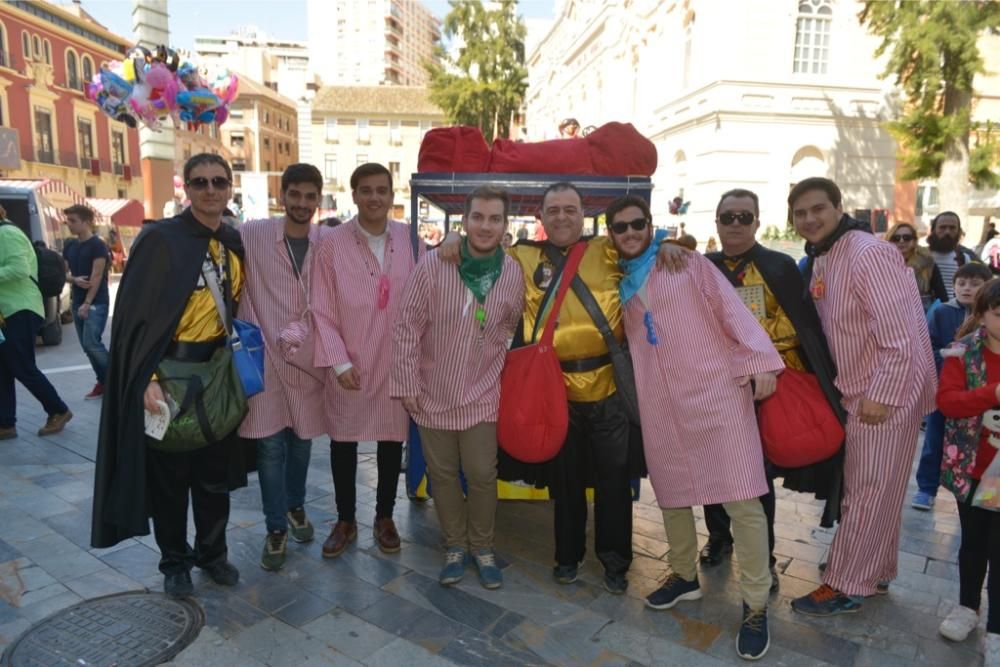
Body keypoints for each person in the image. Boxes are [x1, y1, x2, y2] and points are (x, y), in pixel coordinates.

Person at [440, 182, 689, 594]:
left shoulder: (606, 249)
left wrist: (668, 243)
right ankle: (567, 557)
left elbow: (642, 243)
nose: (561, 217)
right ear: (540, 217)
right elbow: (477, 253)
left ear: (583, 215)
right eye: (553, 210)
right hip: (554, 393)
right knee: (567, 483)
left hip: (608, 388)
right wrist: (454, 238)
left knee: (614, 483)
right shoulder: (520, 256)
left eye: (569, 210)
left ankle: (615, 562)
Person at [606, 195, 781, 660]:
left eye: (637, 224)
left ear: (650, 225)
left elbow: (732, 310)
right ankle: (684, 575)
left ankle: (757, 604)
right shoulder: (622, 285)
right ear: (612, 235)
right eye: (620, 228)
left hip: (717, 395)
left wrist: (760, 360)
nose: (630, 233)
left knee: (743, 498)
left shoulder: (687, 264)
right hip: (662, 405)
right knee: (673, 492)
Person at [91, 154, 253, 599]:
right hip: (168, 375)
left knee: (214, 477)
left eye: (219, 181)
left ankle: (212, 554)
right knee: (169, 479)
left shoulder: (233, 242)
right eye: (200, 182)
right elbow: (136, 319)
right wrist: (146, 377)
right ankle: (175, 562)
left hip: (217, 375)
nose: (210, 190)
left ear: (230, 186)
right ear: (187, 188)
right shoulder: (160, 240)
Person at [788, 177, 936, 616]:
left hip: (883, 393)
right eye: (800, 213)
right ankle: (875, 569)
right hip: (863, 389)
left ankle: (846, 583)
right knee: (881, 490)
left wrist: (881, 395)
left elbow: (902, 336)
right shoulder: (828, 255)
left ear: (838, 207)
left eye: (818, 209)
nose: (809, 219)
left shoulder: (869, 252)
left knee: (866, 491)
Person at [700, 189, 846, 591]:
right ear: (716, 222)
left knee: (755, 478)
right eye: (727, 217)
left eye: (743, 217)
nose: (735, 224)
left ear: (757, 222)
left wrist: (762, 360)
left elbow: (798, 329)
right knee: (716, 468)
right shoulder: (702, 267)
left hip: (767, 387)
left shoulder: (779, 266)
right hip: (717, 386)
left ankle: (762, 556)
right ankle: (718, 537)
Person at [391, 186, 524, 589]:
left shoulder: (513, 271)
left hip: (483, 393)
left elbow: (510, 325)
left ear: (505, 225)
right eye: (478, 217)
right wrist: (407, 381)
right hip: (432, 392)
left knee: (483, 473)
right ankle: (454, 546)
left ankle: (482, 547)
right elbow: (407, 327)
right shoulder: (434, 266)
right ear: (464, 222)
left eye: (495, 218)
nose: (486, 226)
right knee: (443, 474)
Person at [312, 163, 424, 557]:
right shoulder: (331, 243)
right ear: (354, 194)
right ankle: (345, 520)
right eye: (366, 190)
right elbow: (320, 308)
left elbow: (425, 293)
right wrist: (338, 362)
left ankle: (384, 516)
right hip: (350, 360)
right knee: (343, 440)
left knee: (392, 439)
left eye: (382, 190)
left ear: (392, 196)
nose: (375, 197)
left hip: (395, 359)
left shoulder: (410, 240)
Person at [239, 164, 330, 571]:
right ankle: (275, 527)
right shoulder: (254, 232)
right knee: (269, 445)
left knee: (302, 439)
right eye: (295, 194)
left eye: (310, 197)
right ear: (282, 195)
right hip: (264, 356)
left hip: (306, 356)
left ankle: (295, 506)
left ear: (319, 199)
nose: (302, 204)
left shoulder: (327, 240)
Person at [936, 278, 1000, 664]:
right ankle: (966, 608)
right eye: (998, 313)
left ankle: (996, 630)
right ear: (982, 315)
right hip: (973, 470)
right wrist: (990, 395)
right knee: (973, 544)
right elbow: (947, 402)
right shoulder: (963, 354)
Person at [912, 262, 993, 511]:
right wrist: (947, 355)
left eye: (975, 284)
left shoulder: (992, 316)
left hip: (980, 396)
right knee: (934, 441)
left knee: (979, 445)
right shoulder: (942, 312)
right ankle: (926, 488)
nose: (967, 288)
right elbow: (927, 348)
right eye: (961, 283)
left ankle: (976, 491)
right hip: (944, 389)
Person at [0, 208, 72, 440]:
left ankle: (58, 410)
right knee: (3, 369)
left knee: (21, 365)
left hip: (20, 308)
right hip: (8, 311)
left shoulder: (8, 234)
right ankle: (5, 423)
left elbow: (19, 269)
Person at [62, 204, 111, 400]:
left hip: (96, 302)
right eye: (68, 221)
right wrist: (74, 280)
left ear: (87, 221)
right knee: (86, 346)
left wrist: (87, 303)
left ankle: (116, 380)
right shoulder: (70, 245)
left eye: (73, 221)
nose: (69, 225)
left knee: (92, 343)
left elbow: (97, 275)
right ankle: (103, 381)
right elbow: (63, 273)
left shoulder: (98, 245)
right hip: (77, 301)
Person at [884, 222, 948, 311]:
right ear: (889, 241)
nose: (901, 241)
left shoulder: (928, 263)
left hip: (923, 312)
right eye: (896, 238)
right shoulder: (882, 263)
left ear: (914, 241)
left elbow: (942, 295)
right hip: (892, 312)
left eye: (907, 238)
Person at [927, 211, 981, 299]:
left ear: (958, 231)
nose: (947, 232)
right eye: (942, 227)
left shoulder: (964, 259)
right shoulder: (921, 257)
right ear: (933, 230)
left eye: (952, 228)